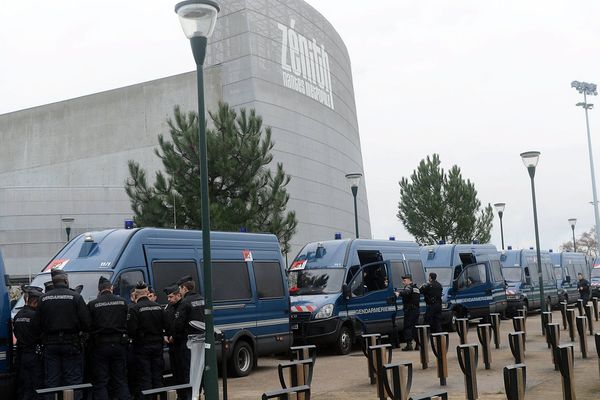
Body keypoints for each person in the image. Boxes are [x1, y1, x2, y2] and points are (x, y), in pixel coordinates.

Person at [34, 269, 91, 399]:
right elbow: (87, 323)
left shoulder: (43, 298)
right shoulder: (76, 297)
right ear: (65, 281)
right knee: (73, 381)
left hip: (50, 344)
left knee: (51, 380)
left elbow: (36, 324)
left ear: (53, 283)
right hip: (72, 343)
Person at [87, 276, 130, 400]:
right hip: (119, 345)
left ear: (99, 290)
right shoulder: (122, 302)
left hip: (100, 346)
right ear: (111, 288)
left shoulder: (92, 304)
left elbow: (88, 325)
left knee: (101, 382)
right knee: (120, 380)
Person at [127, 281, 167, 396]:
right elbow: (167, 325)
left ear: (135, 294)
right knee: (158, 376)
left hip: (141, 347)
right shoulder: (159, 307)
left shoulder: (134, 309)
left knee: (145, 377)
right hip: (158, 346)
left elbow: (131, 331)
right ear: (147, 293)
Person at [173, 275, 205, 399]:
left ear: (185, 288)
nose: (179, 291)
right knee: (200, 370)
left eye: (180, 288)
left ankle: (190, 396)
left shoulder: (185, 302)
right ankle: (199, 394)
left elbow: (178, 324)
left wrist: (174, 335)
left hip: (189, 342)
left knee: (189, 371)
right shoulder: (203, 299)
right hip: (202, 339)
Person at [13, 287, 43, 400]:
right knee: (36, 384)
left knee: (24, 384)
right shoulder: (35, 316)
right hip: (34, 354)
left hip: (22, 354)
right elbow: (40, 334)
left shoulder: (18, 315)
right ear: (35, 302)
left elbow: (15, 332)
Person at [164, 284, 185, 396]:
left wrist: (174, 336)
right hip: (172, 346)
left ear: (178, 295)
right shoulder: (169, 307)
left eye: (171, 297)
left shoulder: (183, 306)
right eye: (168, 297)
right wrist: (165, 335)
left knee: (182, 373)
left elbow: (182, 325)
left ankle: (185, 395)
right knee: (175, 373)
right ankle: (179, 395)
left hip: (181, 345)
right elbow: (166, 323)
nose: (169, 299)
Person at [395, 275, 420, 351]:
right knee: (415, 327)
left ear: (409, 280)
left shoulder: (409, 287)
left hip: (410, 311)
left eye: (405, 280)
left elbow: (407, 292)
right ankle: (418, 344)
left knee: (407, 327)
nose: (403, 282)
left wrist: (399, 293)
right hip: (416, 310)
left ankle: (409, 345)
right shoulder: (416, 288)